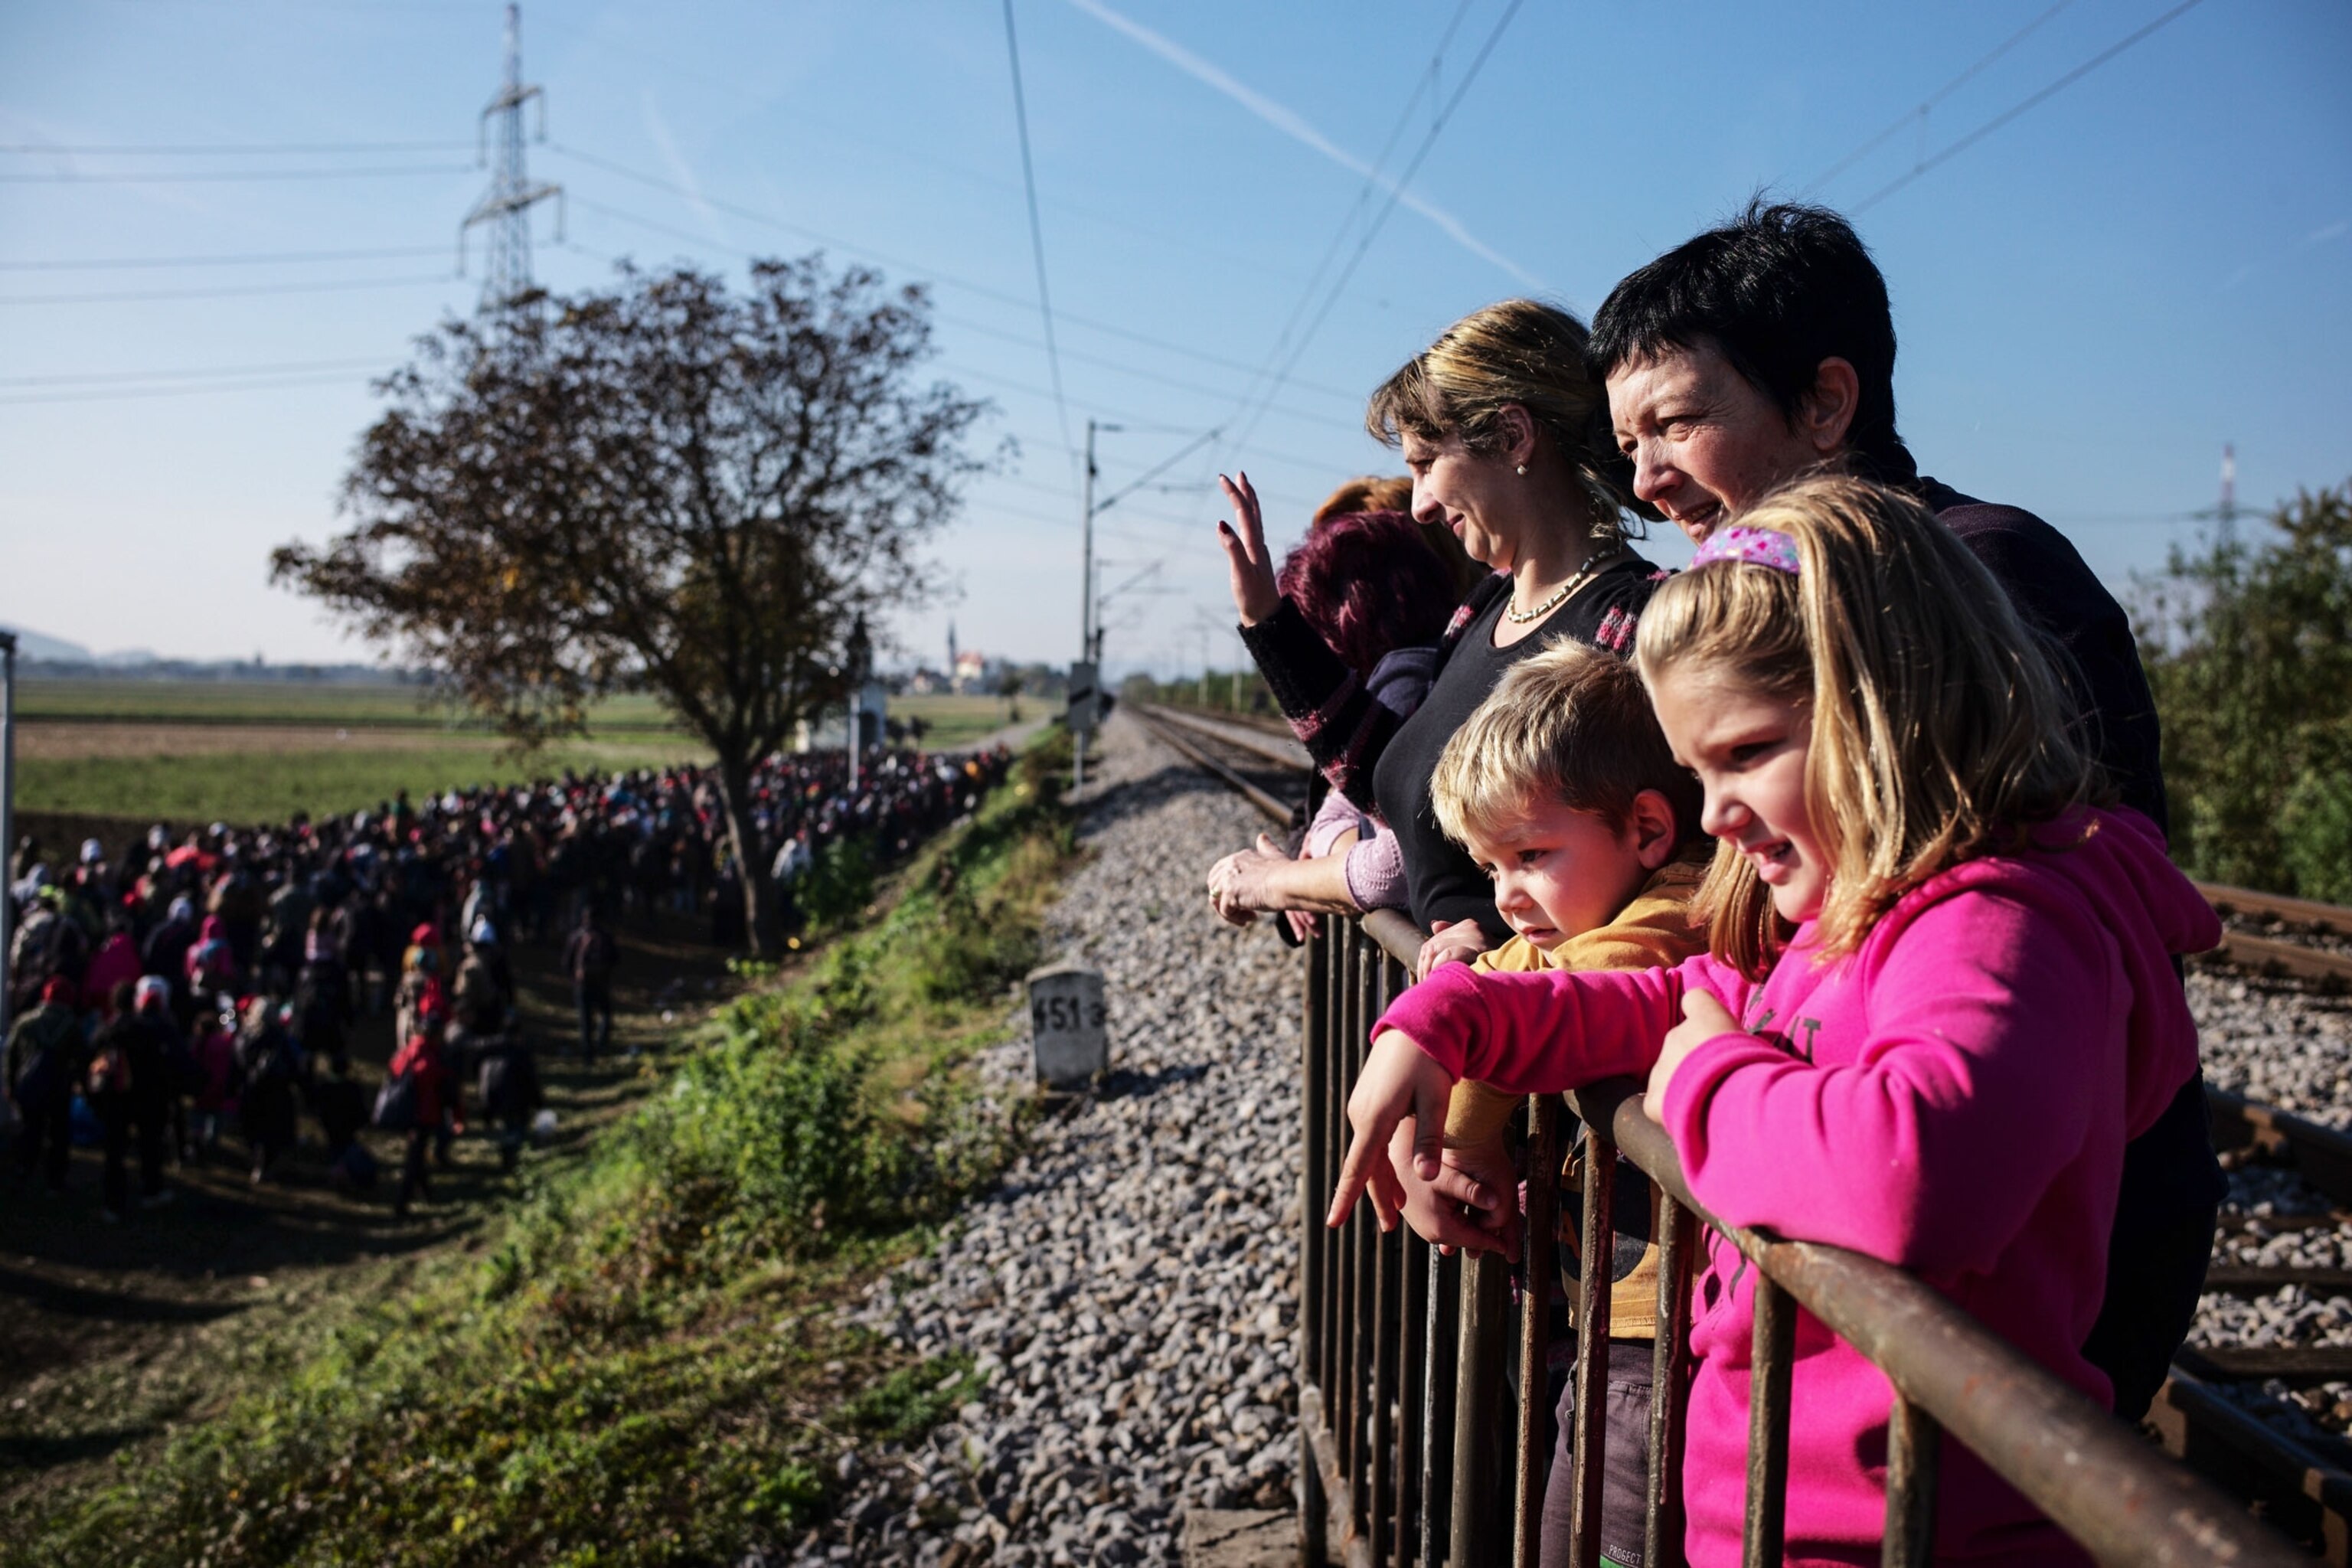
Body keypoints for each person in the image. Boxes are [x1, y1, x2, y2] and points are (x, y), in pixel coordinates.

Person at [1331, 479, 2217, 1568]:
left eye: (1745, 754)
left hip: (1901, 1531)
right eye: (1699, 770)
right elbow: (1670, 1001)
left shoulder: (1998, 921)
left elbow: (1916, 1167)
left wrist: (1706, 1081)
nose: (1714, 815)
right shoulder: (1857, 918)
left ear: (1889, 702)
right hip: (1785, 1515)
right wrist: (1443, 1017)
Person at [1588, 199, 2211, 1424]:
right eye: (1627, 442)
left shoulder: (1981, 572)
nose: (1645, 478)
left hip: (2025, 1234)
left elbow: (2042, 936)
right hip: (1871, 1166)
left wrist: (1713, 1071)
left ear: (1827, 402)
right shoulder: (1760, 597)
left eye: (1675, 422)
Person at [1221, 299, 1661, 964]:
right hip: (1462, 1022)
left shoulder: (1633, 624)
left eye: (1427, 462)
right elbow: (1396, 784)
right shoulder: (1484, 608)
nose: (1420, 504)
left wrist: (1502, 944)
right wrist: (1270, 626)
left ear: (1514, 436)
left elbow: (1652, 873)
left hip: (1535, 1042)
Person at [1403, 642, 1710, 1568]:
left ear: (1648, 830)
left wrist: (1456, 1132)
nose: (1508, 897)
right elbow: (1500, 972)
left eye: (1532, 855)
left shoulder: (1675, 911)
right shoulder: (1585, 907)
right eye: (1490, 867)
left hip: (1659, 1348)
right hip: (1610, 1324)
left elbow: (1551, 995)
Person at [1206, 506, 1458, 931]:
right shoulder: (1442, 669)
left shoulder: (1404, 685)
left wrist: (1289, 880)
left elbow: (1402, 861)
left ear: (1341, 625)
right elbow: (1335, 811)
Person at [7, 975, 84, 1191]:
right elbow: (81, 1058)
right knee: (58, 1135)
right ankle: (55, 1179)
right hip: (59, 1088)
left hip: (29, 1086)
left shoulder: (26, 1022)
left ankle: (24, 1169)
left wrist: (10, 1085)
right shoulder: (72, 1026)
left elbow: (11, 1056)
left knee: (30, 1130)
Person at [563, 904, 619, 1062]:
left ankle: (588, 1054)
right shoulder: (605, 936)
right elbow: (615, 959)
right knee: (606, 1013)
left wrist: (574, 980)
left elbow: (567, 962)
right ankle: (601, 1043)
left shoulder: (576, 937)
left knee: (585, 1020)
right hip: (600, 984)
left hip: (582, 985)